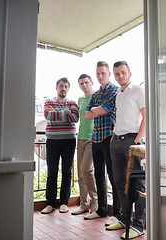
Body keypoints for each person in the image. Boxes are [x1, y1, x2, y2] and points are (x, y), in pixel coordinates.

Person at [106, 61, 146, 239]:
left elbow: (147, 116)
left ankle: (138, 226)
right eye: (117, 74)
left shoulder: (138, 90)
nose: (120, 76)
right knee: (119, 182)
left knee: (137, 184)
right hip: (116, 141)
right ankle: (124, 220)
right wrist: (114, 136)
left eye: (123, 72)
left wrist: (137, 141)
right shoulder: (118, 95)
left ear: (130, 73)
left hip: (132, 140)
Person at [83, 61, 121, 226]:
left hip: (109, 137)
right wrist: (96, 110)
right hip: (96, 138)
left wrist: (96, 110)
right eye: (97, 74)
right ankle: (102, 210)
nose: (100, 76)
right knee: (99, 175)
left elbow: (104, 110)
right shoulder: (95, 94)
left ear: (109, 74)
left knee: (113, 176)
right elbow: (86, 115)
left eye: (103, 73)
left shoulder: (115, 90)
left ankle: (118, 214)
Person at [41, 77, 79, 214]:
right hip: (52, 140)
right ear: (56, 87)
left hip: (69, 140)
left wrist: (57, 113)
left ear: (68, 88)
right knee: (52, 172)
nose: (64, 89)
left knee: (67, 172)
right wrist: (66, 112)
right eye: (61, 86)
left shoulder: (72, 102)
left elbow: (75, 118)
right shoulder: (48, 101)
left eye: (66, 86)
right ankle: (50, 204)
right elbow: (48, 116)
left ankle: (64, 202)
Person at [71, 74, 98, 215]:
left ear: (91, 82)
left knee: (87, 169)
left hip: (92, 138)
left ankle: (96, 203)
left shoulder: (97, 96)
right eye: (81, 83)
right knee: (81, 172)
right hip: (80, 138)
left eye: (86, 82)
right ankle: (84, 204)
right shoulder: (80, 99)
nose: (84, 85)